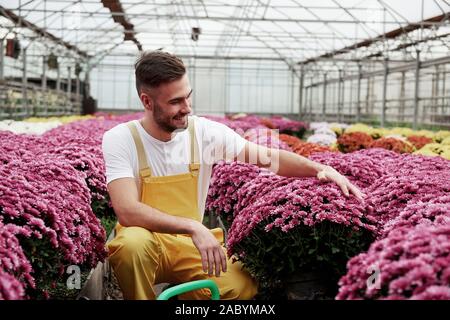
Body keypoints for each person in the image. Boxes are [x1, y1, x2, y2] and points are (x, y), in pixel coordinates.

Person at [101, 50, 365, 300]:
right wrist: (193, 226)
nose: (187, 107)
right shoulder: (122, 139)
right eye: (175, 101)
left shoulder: (203, 134)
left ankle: (183, 293)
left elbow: (268, 158)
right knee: (131, 246)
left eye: (188, 96)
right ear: (147, 101)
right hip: (148, 244)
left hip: (189, 246)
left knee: (241, 287)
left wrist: (320, 169)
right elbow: (127, 210)